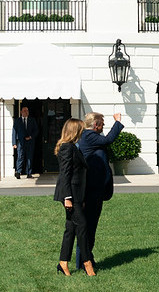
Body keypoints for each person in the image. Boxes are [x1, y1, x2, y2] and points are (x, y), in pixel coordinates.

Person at [78, 112, 123, 271]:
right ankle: (85, 261)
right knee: (88, 227)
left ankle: (86, 258)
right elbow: (108, 139)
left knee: (90, 227)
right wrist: (117, 122)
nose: (103, 126)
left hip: (94, 189)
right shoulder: (89, 135)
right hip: (90, 190)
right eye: (102, 123)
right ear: (95, 124)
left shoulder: (90, 136)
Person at [54, 119, 95, 276]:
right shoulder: (67, 148)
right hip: (70, 194)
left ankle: (63, 263)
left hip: (77, 194)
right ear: (75, 131)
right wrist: (68, 197)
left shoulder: (73, 147)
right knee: (82, 225)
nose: (83, 132)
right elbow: (65, 174)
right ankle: (87, 262)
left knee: (70, 229)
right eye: (81, 130)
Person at [13, 106, 39, 179]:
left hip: (30, 142)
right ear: (21, 112)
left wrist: (31, 137)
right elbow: (14, 132)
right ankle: (18, 172)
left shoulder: (32, 120)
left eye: (27, 111)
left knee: (29, 157)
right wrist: (14, 143)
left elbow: (36, 130)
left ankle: (29, 173)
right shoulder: (17, 121)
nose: (26, 112)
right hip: (20, 142)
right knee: (20, 157)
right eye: (24, 111)